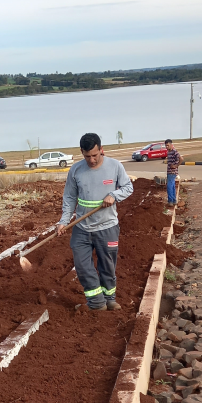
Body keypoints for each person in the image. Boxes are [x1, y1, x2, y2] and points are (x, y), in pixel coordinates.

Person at [57, 133, 134, 311]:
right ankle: (96, 303)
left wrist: (113, 196)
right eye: (87, 156)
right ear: (81, 153)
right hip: (82, 227)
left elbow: (128, 187)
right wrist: (63, 221)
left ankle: (110, 299)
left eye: (95, 155)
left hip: (107, 226)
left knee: (107, 266)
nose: (91, 160)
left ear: (101, 150)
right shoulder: (76, 170)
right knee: (82, 266)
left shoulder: (115, 166)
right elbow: (69, 197)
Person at [164, 139, 182, 206]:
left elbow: (181, 159)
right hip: (169, 171)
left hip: (172, 172)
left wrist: (176, 166)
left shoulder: (175, 151)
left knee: (169, 186)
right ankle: (174, 200)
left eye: (168, 145)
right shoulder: (168, 152)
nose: (167, 147)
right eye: (166, 146)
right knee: (172, 186)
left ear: (171, 144)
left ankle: (170, 201)